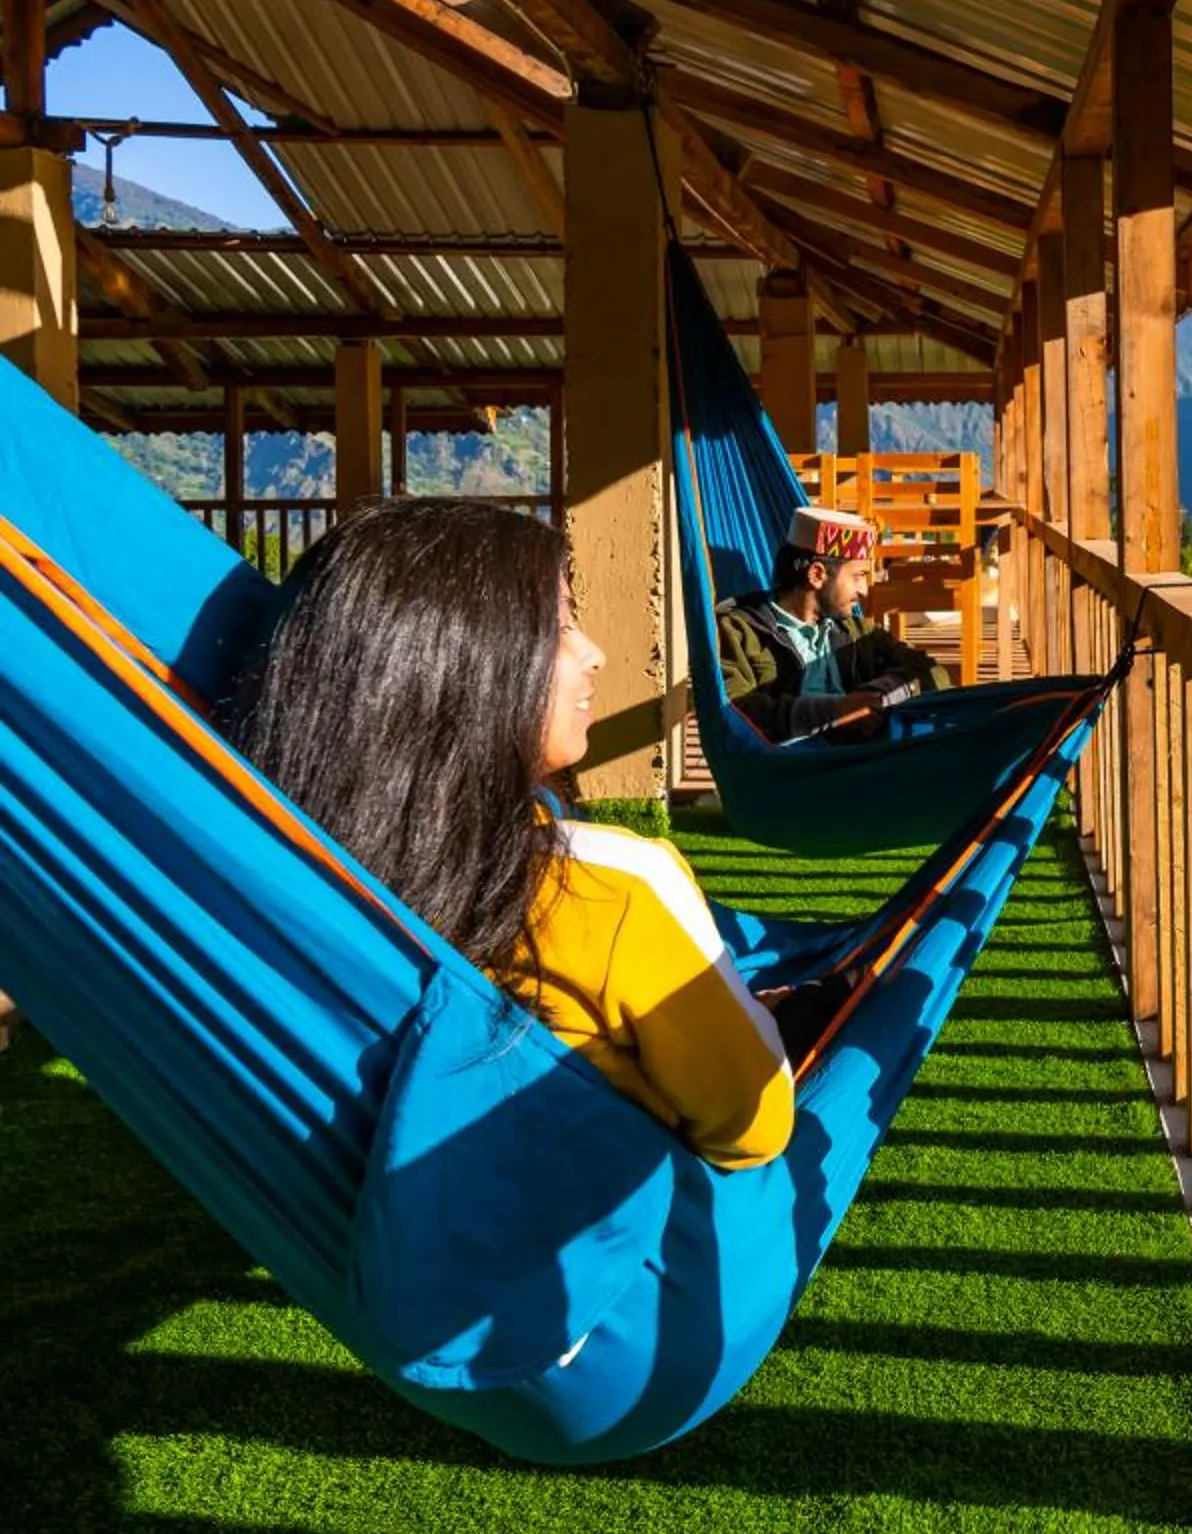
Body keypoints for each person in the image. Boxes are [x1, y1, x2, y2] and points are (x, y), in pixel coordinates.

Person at [229, 499, 806, 1167]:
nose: (594, 652)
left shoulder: (285, 871)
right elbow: (755, 1127)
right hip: (591, 1222)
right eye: (559, 625)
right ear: (463, 667)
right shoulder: (610, 886)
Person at [714, 505, 950, 742]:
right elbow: (730, 709)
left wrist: (877, 695)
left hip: (861, 759)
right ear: (817, 575)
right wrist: (834, 713)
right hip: (785, 768)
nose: (864, 591)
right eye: (858, 576)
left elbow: (931, 671)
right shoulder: (740, 631)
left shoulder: (856, 632)